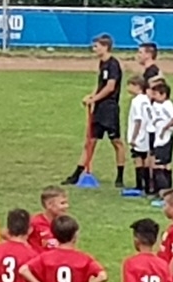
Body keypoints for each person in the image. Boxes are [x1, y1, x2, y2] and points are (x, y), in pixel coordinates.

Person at [65, 34, 126, 188]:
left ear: (105, 47)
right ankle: (77, 174)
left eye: (96, 46)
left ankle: (120, 176)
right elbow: (101, 85)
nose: (94, 49)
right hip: (99, 108)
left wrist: (95, 99)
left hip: (109, 108)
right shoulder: (102, 64)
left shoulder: (113, 65)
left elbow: (110, 87)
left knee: (116, 142)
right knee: (90, 141)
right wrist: (92, 96)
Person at [150, 82, 173, 193]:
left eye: (155, 94)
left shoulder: (167, 105)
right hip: (159, 139)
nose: (153, 96)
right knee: (165, 165)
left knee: (159, 165)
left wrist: (165, 128)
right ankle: (167, 191)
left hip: (164, 140)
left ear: (164, 95)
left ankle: (163, 191)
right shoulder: (156, 105)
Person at [127, 76, 153, 192]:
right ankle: (147, 185)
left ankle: (139, 185)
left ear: (137, 86)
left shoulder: (136, 101)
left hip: (139, 133)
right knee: (145, 157)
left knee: (137, 159)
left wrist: (134, 137)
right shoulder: (146, 99)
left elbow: (138, 119)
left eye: (130, 85)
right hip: (147, 132)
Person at [28, 186, 68, 254]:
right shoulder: (34, 222)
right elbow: (14, 237)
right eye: (62, 203)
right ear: (49, 204)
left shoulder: (65, 224)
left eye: (66, 203)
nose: (66, 206)